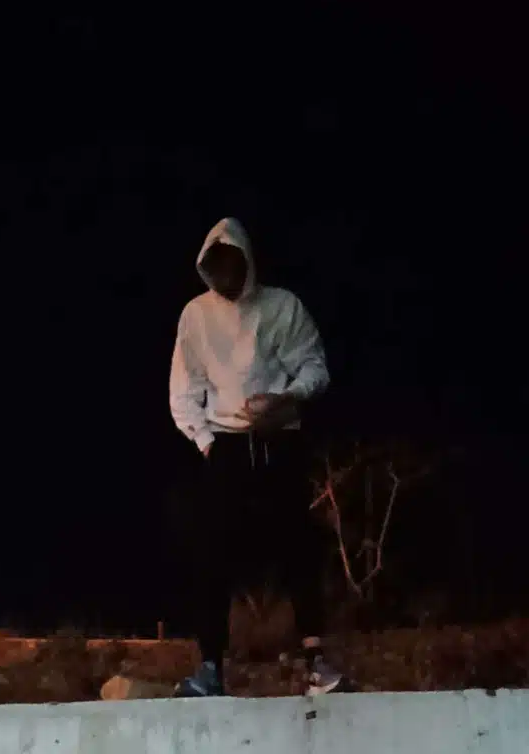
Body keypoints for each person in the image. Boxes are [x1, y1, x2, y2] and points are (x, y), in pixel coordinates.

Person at [168, 216, 346, 697]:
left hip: (279, 440)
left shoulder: (281, 306)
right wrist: (207, 442)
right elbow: (184, 390)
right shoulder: (195, 316)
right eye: (214, 267)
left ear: (245, 262)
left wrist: (286, 399)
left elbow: (314, 366)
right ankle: (210, 669)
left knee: (298, 547)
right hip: (226, 443)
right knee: (212, 553)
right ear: (205, 268)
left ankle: (316, 663)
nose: (223, 275)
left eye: (231, 264)